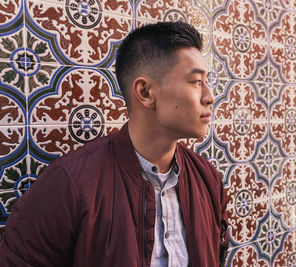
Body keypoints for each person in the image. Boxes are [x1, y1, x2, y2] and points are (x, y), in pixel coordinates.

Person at [0, 21, 228, 267]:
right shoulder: (69, 185)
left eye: (206, 81)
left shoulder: (208, 180)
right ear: (145, 92)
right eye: (195, 81)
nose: (210, 96)